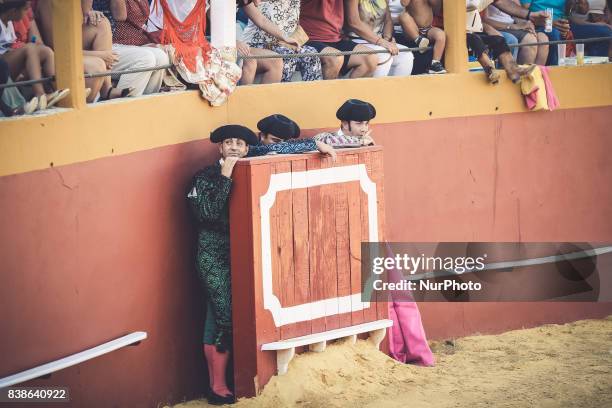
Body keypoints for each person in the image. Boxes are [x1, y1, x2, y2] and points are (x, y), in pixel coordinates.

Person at [187, 124, 334, 404]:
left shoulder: (255, 160)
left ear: (247, 148)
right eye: (228, 143)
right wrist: (225, 177)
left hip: (250, 251)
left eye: (240, 144)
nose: (234, 147)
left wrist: (317, 145)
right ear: (219, 148)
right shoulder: (204, 177)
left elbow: (282, 147)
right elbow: (207, 214)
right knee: (222, 313)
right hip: (214, 255)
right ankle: (217, 385)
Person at [0, 0, 69, 110]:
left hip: (9, 62)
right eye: (25, 9)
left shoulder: (8, 22)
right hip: (2, 68)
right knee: (30, 48)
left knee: (46, 51)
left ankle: (58, 90)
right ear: (13, 11)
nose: (27, 13)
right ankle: (40, 94)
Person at [242, 0, 322, 82]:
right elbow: (262, 21)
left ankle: (311, 93)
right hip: (259, 42)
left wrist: (291, 40)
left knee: (312, 54)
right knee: (288, 55)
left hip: (284, 43)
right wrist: (285, 37)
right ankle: (282, 92)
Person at [300, 0, 378, 79]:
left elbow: (353, 20)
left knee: (370, 59)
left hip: (336, 38)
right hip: (309, 39)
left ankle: (349, 91)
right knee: (335, 58)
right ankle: (326, 91)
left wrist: (382, 40)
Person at [466, 0, 535, 84]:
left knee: (498, 40)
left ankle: (514, 71)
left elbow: (479, 6)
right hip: (460, 35)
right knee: (475, 40)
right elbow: (473, 4)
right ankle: (490, 71)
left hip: (474, 31)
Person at [345, 0, 415, 77]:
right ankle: (375, 88)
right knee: (384, 55)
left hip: (378, 39)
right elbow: (353, 22)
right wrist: (381, 42)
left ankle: (395, 89)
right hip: (356, 38)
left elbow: (388, 20)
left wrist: (387, 39)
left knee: (406, 55)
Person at [390, 0, 447, 73]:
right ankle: (418, 39)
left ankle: (435, 63)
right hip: (413, 29)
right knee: (403, 16)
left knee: (441, 35)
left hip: (428, 28)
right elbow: (404, 3)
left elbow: (436, 5)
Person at [484, 0, 549, 64]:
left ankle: (536, 73)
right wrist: (513, 26)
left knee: (543, 39)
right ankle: (520, 73)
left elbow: (516, 12)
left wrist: (527, 23)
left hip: (511, 25)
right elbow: (484, 20)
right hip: (496, 27)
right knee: (529, 40)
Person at [520, 0, 572, 65]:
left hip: (561, 24)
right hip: (537, 23)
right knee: (554, 33)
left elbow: (571, 11)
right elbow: (523, 10)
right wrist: (550, 23)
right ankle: (554, 71)